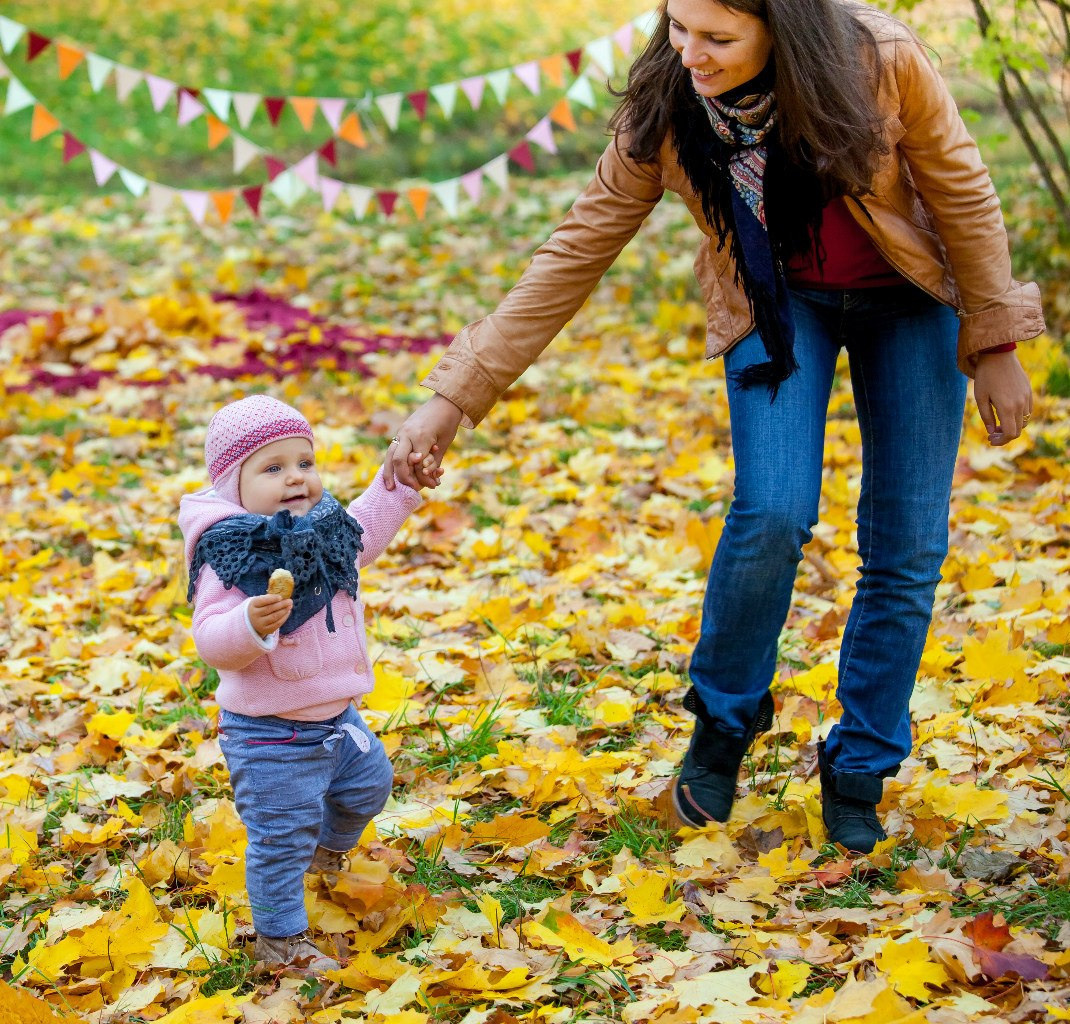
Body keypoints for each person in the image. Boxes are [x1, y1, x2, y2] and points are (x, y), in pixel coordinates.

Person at [382, 0, 1044, 854]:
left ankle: (860, 765)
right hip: (776, 304)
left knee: (908, 543)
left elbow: (960, 187)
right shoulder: (669, 103)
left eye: (718, 38)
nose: (690, 52)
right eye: (678, 25)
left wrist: (995, 339)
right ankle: (724, 723)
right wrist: (452, 397)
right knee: (772, 512)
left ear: (782, 26)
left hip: (911, 298)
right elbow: (575, 249)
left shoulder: (879, 59)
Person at [179, 394, 439, 972]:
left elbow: (364, 531)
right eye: (273, 468)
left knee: (370, 785)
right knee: (279, 841)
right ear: (233, 484)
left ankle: (326, 849)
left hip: (336, 717)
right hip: (269, 736)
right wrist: (248, 624)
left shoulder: (324, 529)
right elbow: (210, 639)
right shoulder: (231, 553)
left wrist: (397, 484)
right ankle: (280, 940)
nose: (296, 477)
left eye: (304, 462)